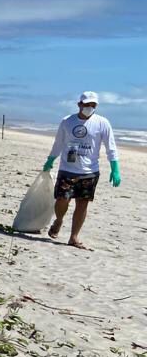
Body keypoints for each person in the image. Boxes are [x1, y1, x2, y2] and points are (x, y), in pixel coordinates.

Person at [43, 91, 120, 250]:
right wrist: (51, 159)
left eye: (93, 105)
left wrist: (115, 168)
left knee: (82, 204)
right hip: (67, 169)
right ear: (79, 104)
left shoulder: (102, 123)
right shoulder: (67, 121)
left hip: (90, 171)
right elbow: (58, 143)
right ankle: (58, 220)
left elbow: (110, 146)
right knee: (62, 199)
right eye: (86, 104)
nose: (89, 107)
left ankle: (74, 237)